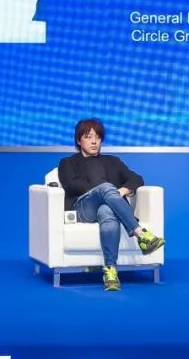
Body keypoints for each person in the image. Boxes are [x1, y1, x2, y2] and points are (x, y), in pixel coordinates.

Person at [57, 118, 165, 291]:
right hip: (83, 208)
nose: (94, 141)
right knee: (106, 188)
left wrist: (122, 191)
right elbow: (71, 185)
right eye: (88, 137)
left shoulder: (113, 161)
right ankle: (140, 233)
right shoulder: (67, 162)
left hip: (106, 207)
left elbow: (136, 178)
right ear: (78, 140)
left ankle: (110, 271)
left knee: (107, 211)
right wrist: (105, 190)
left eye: (98, 137)